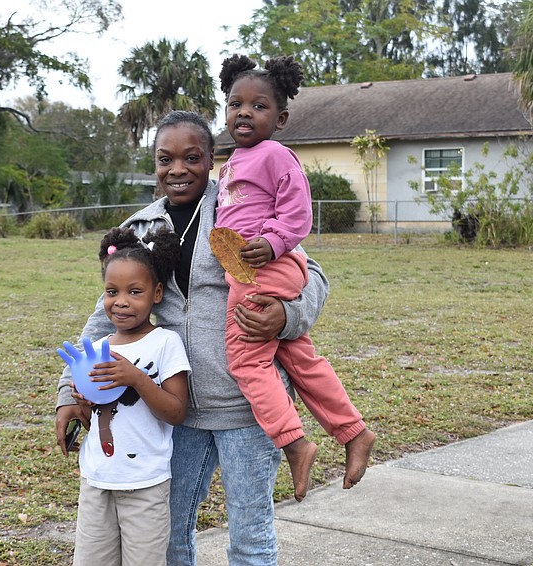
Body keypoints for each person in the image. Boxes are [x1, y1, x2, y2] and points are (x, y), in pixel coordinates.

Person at [55, 110, 329, 566]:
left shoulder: (242, 207)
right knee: (168, 534)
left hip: (247, 408)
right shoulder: (140, 230)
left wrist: (286, 314)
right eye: (166, 159)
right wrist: (69, 390)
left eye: (192, 158)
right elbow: (102, 320)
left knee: (250, 537)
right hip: (173, 415)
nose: (178, 170)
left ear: (212, 160)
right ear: (155, 163)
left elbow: (312, 275)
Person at [216, 54, 375, 502]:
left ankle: (294, 443)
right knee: (299, 357)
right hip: (252, 267)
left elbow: (297, 212)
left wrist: (273, 241)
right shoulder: (231, 162)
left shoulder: (276, 155)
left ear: (280, 118)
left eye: (258, 106)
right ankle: (353, 431)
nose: (244, 112)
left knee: (246, 359)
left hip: (264, 267)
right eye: (235, 104)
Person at [64, 226, 191, 566]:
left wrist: (136, 378)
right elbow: (97, 414)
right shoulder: (99, 349)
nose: (121, 301)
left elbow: (177, 411)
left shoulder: (165, 343)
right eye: (111, 291)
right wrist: (83, 401)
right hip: (97, 479)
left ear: (157, 293)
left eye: (135, 292)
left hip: (146, 485)